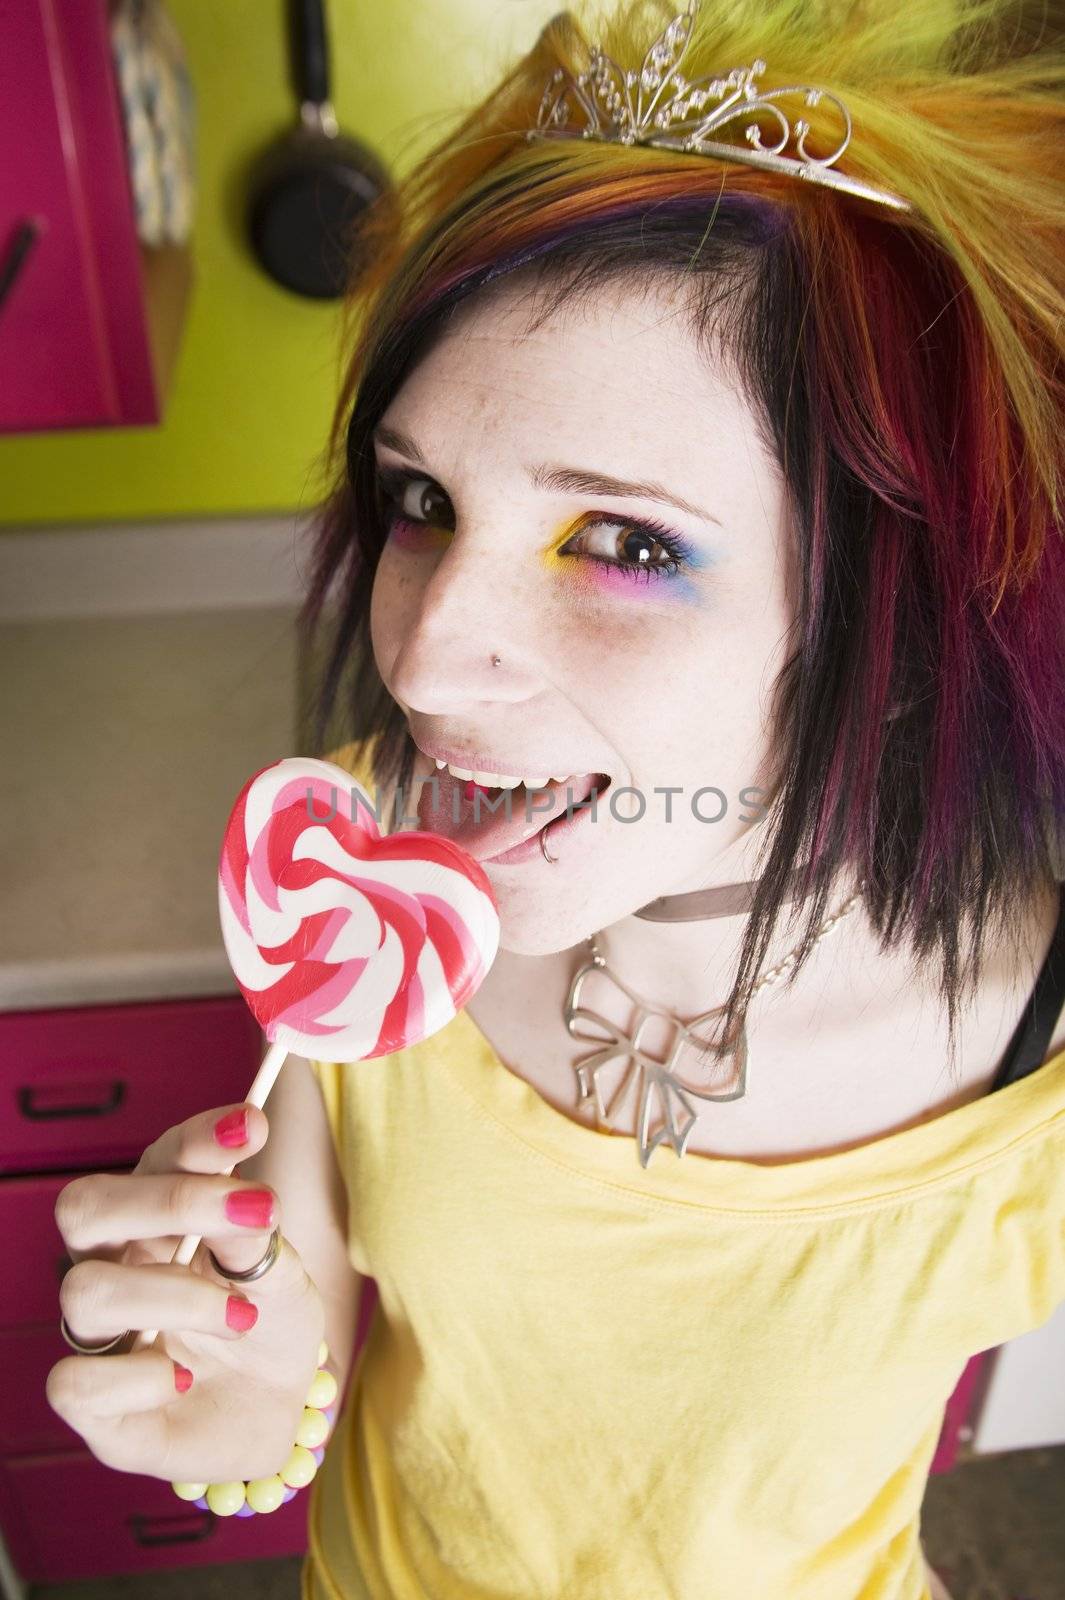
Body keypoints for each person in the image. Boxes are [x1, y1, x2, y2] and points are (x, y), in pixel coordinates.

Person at [45, 1, 1065, 1597]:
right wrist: (232, 1412)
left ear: (888, 609)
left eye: (628, 543)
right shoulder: (367, 867)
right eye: (420, 501)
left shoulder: (1036, 1058)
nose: (431, 660)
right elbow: (281, 1368)